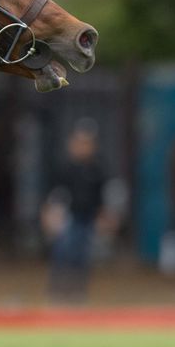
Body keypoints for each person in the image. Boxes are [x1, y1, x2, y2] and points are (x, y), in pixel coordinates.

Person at [41, 119, 121, 303]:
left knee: (82, 256)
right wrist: (48, 214)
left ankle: (77, 292)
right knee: (63, 253)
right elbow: (53, 195)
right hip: (68, 217)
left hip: (87, 218)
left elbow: (102, 196)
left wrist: (105, 217)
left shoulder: (97, 169)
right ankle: (58, 292)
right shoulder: (65, 168)